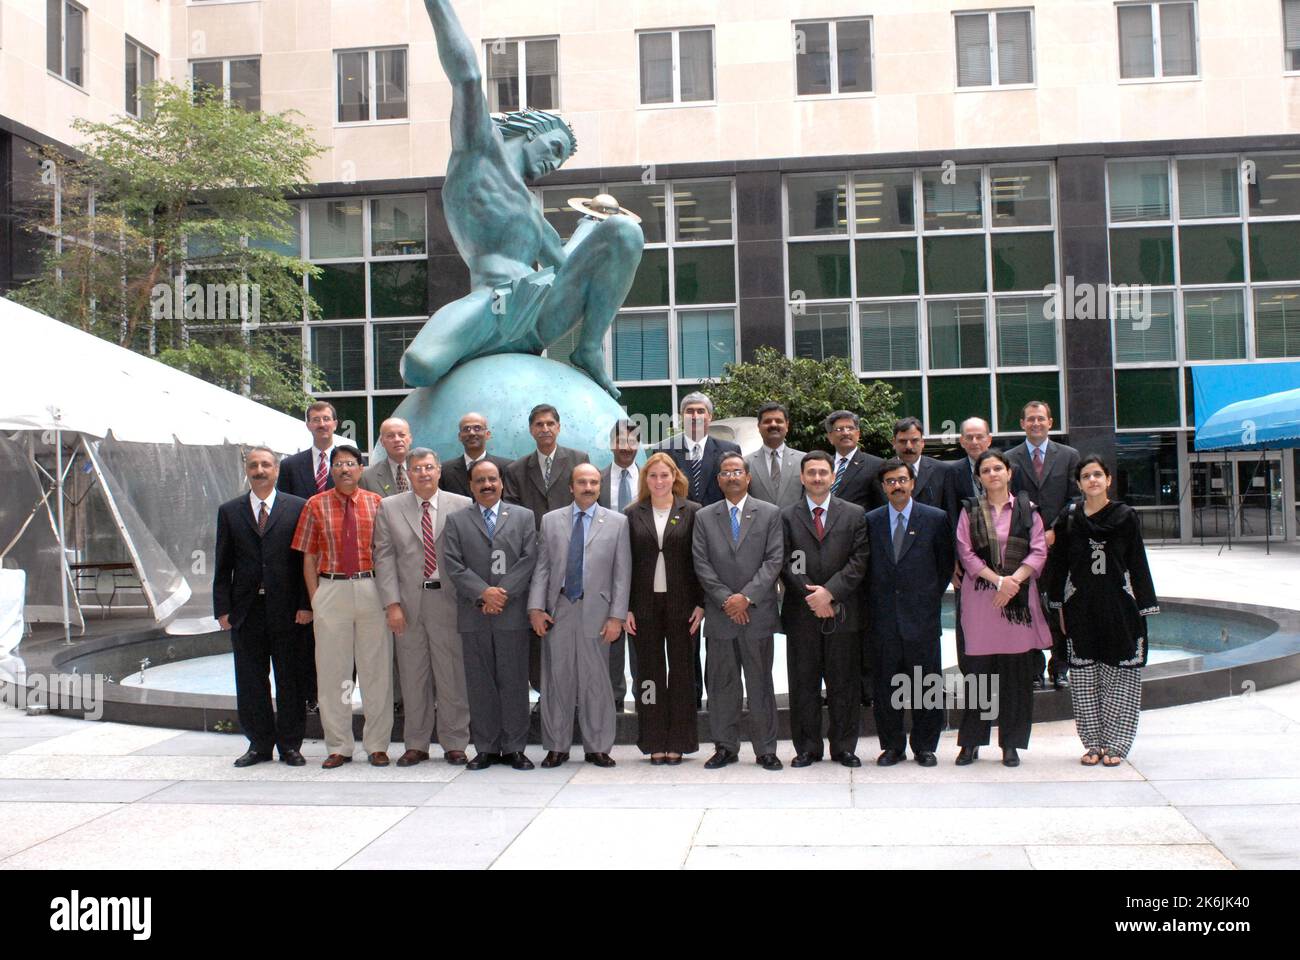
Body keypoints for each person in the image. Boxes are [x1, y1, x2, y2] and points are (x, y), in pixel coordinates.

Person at [403, 1, 643, 400]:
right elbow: (467, 75)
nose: (554, 161)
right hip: (490, 305)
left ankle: (587, 349)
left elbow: (569, 269)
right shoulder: (479, 152)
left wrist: (594, 231)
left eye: (562, 159)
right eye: (555, 146)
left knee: (624, 233)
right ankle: (476, 356)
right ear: (531, 131)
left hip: (541, 309)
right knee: (419, 366)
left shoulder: (533, 210)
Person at [1045, 456, 1159, 767]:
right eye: (1086, 475)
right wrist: (1057, 605)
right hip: (1080, 606)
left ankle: (1117, 744)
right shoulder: (1069, 519)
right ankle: (1093, 743)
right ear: (1078, 483)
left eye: (1098, 474)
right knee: (1084, 678)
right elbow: (1059, 564)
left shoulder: (1125, 516)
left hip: (1120, 606)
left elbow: (1137, 561)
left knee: (1120, 675)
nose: (1092, 480)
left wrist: (1145, 604)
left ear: (1108, 480)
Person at [290, 445, 392, 769]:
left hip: (370, 588)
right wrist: (315, 597)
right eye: (338, 464)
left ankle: (377, 745)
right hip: (331, 588)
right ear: (331, 470)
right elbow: (308, 556)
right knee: (334, 673)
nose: (345, 469)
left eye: (350, 463)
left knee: (376, 671)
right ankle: (339, 745)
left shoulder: (377, 504)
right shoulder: (315, 505)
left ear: (361, 470)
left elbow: (387, 554)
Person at [373, 448, 473, 766]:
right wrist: (392, 604)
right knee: (413, 677)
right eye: (417, 469)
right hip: (408, 605)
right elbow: (384, 558)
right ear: (409, 474)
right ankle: (416, 743)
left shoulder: (462, 506)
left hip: (449, 602)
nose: (424, 473)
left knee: (452, 674)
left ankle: (455, 741)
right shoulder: (389, 508)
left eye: (429, 467)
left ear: (439, 470)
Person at [213, 447, 312, 768]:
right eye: (253, 465)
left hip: (288, 610)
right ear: (247, 470)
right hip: (246, 611)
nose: (259, 470)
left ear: (276, 470)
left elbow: (304, 563)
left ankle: (290, 745)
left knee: (289, 679)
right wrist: (222, 609)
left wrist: (305, 604)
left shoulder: (297, 508)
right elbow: (222, 564)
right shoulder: (229, 511)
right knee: (251, 679)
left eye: (265, 464)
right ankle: (258, 744)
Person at [954, 449, 1053, 767]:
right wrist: (999, 581)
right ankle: (970, 743)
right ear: (979, 477)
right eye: (986, 470)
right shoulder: (969, 511)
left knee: (1015, 678)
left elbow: (1038, 552)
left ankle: (1011, 744)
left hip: (1017, 603)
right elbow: (966, 554)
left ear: (1009, 473)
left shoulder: (1028, 510)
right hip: (981, 600)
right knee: (977, 676)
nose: (993, 474)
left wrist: (1013, 582)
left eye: (998, 468)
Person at [527, 463, 631, 768]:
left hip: (598, 612)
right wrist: (536, 608)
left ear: (599, 487)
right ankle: (557, 746)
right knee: (557, 679)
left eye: (594, 482)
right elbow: (542, 567)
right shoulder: (550, 521)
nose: (588, 487)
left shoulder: (617, 523)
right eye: (582, 482)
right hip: (559, 609)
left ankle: (597, 745)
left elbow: (622, 574)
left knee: (595, 681)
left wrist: (617, 616)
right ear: (571, 487)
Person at [442, 459, 538, 770]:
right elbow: (454, 565)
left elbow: (528, 559)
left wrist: (501, 594)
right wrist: (484, 593)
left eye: (492, 479)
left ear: (501, 483)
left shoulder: (524, 517)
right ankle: (485, 747)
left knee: (513, 682)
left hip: (511, 614)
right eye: (480, 480)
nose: (487, 485)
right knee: (480, 682)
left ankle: (514, 747)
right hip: (474, 614)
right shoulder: (457, 521)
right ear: (470, 486)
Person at [692, 452, 784, 771]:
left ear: (748, 477)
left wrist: (745, 598)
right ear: (718, 480)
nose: (732, 477)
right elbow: (700, 563)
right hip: (720, 615)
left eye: (737, 472)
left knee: (760, 683)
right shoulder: (704, 517)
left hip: (756, 613)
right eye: (726, 472)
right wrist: (726, 600)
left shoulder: (770, 514)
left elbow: (774, 561)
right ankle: (725, 747)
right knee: (722, 685)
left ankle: (766, 750)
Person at [781, 451, 870, 767]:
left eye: (823, 472)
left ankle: (844, 746)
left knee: (843, 684)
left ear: (833, 477)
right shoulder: (787, 516)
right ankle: (807, 748)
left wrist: (830, 593)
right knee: (803, 684)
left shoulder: (855, 514)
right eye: (811, 473)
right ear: (802, 478)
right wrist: (813, 596)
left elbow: (858, 561)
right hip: (802, 613)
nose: (817, 478)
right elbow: (788, 561)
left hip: (843, 612)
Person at [865, 458, 954, 767]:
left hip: (923, 618)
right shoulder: (871, 520)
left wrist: (925, 597)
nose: (897, 485)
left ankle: (925, 746)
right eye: (890, 481)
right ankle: (892, 746)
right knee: (887, 685)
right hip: (884, 620)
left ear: (912, 483)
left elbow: (944, 565)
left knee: (926, 684)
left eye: (902, 479)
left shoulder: (935, 518)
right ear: (883, 486)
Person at [505, 403, 590, 694]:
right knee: (538, 627)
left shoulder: (579, 460)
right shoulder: (516, 470)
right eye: (539, 424)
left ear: (558, 427)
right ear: (531, 430)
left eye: (550, 423)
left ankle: (573, 692)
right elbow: (514, 519)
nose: (545, 429)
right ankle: (544, 692)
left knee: (571, 628)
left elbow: (587, 506)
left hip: (573, 560)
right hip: (533, 561)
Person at [624, 452, 703, 764]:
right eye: (653, 476)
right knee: (649, 675)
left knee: (682, 672)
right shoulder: (632, 514)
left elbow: (700, 561)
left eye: (664, 475)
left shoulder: (692, 512)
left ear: (675, 478)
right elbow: (625, 564)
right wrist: (626, 607)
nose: (659, 481)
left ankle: (680, 741)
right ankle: (653, 740)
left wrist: (701, 603)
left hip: (682, 605)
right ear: (646, 480)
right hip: (643, 606)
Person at [1006, 401, 1081, 690]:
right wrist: (1035, 532)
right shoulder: (1010, 459)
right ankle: (1033, 669)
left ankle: (1060, 667)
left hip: (1060, 546)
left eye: (1041, 419)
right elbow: (1009, 499)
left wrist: (1054, 529)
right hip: (1024, 548)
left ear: (1050, 422)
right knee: (1028, 608)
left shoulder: (1070, 456)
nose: (1036, 423)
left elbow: (1076, 498)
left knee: (1059, 606)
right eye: (1030, 419)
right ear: (1022, 423)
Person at [277, 400, 345, 711]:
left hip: (340, 556)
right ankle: (311, 695)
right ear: (307, 425)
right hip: (302, 553)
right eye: (315, 419)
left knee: (342, 632)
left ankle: (342, 693)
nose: (321, 424)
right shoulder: (291, 466)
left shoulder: (348, 462)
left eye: (326, 419)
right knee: (306, 631)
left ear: (335, 423)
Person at [598, 418, 641, 712]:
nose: (626, 448)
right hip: (604, 572)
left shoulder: (653, 480)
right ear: (611, 443)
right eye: (620, 441)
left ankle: (644, 700)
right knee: (609, 637)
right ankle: (611, 700)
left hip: (644, 570)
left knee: (641, 640)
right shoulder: (595, 481)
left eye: (632, 441)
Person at [652, 391, 740, 507]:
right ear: (682, 417)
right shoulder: (663, 451)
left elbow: (736, 492)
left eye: (701, 411)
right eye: (689, 411)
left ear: (710, 417)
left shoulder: (729, 451)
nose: (695, 416)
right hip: (678, 522)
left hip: (716, 521)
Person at [745, 402, 805, 508]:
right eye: (767, 421)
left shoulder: (804, 461)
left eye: (778, 421)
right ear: (759, 427)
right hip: (760, 524)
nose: (773, 424)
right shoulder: (746, 463)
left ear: (787, 426)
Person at [439, 412, 511, 498]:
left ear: (487, 434)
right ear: (459, 436)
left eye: (477, 428)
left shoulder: (507, 468)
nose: (472, 433)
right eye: (466, 429)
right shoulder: (444, 471)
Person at [823, 410, 885, 511]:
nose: (845, 433)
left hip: (857, 525)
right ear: (830, 437)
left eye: (850, 428)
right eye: (839, 429)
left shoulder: (876, 465)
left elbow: (882, 507)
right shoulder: (824, 465)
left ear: (858, 434)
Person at [943, 416, 993, 529]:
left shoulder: (1006, 468)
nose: (974, 442)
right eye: (969, 437)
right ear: (962, 441)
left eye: (979, 437)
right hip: (968, 537)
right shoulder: (952, 472)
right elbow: (952, 512)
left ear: (989, 440)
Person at [890, 417, 945, 509]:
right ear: (894, 443)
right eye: (903, 441)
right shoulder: (881, 471)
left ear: (922, 442)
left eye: (914, 440)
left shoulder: (942, 471)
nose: (908, 446)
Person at [360, 418, 413, 496]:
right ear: (382, 442)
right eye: (390, 436)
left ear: (410, 439)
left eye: (402, 435)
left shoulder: (428, 471)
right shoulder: (366, 476)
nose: (397, 439)